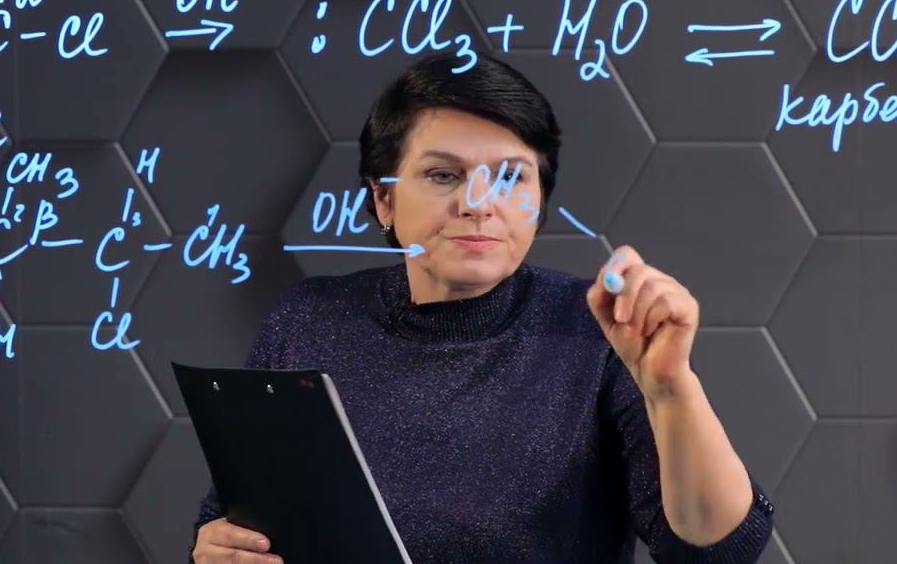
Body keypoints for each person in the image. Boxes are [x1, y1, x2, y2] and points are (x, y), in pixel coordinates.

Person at [188, 51, 775, 563]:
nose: (478, 203)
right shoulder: (308, 320)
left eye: (510, 177)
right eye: (444, 174)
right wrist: (219, 546)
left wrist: (670, 389)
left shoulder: (601, 332)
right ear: (384, 200)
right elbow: (237, 516)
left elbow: (717, 550)